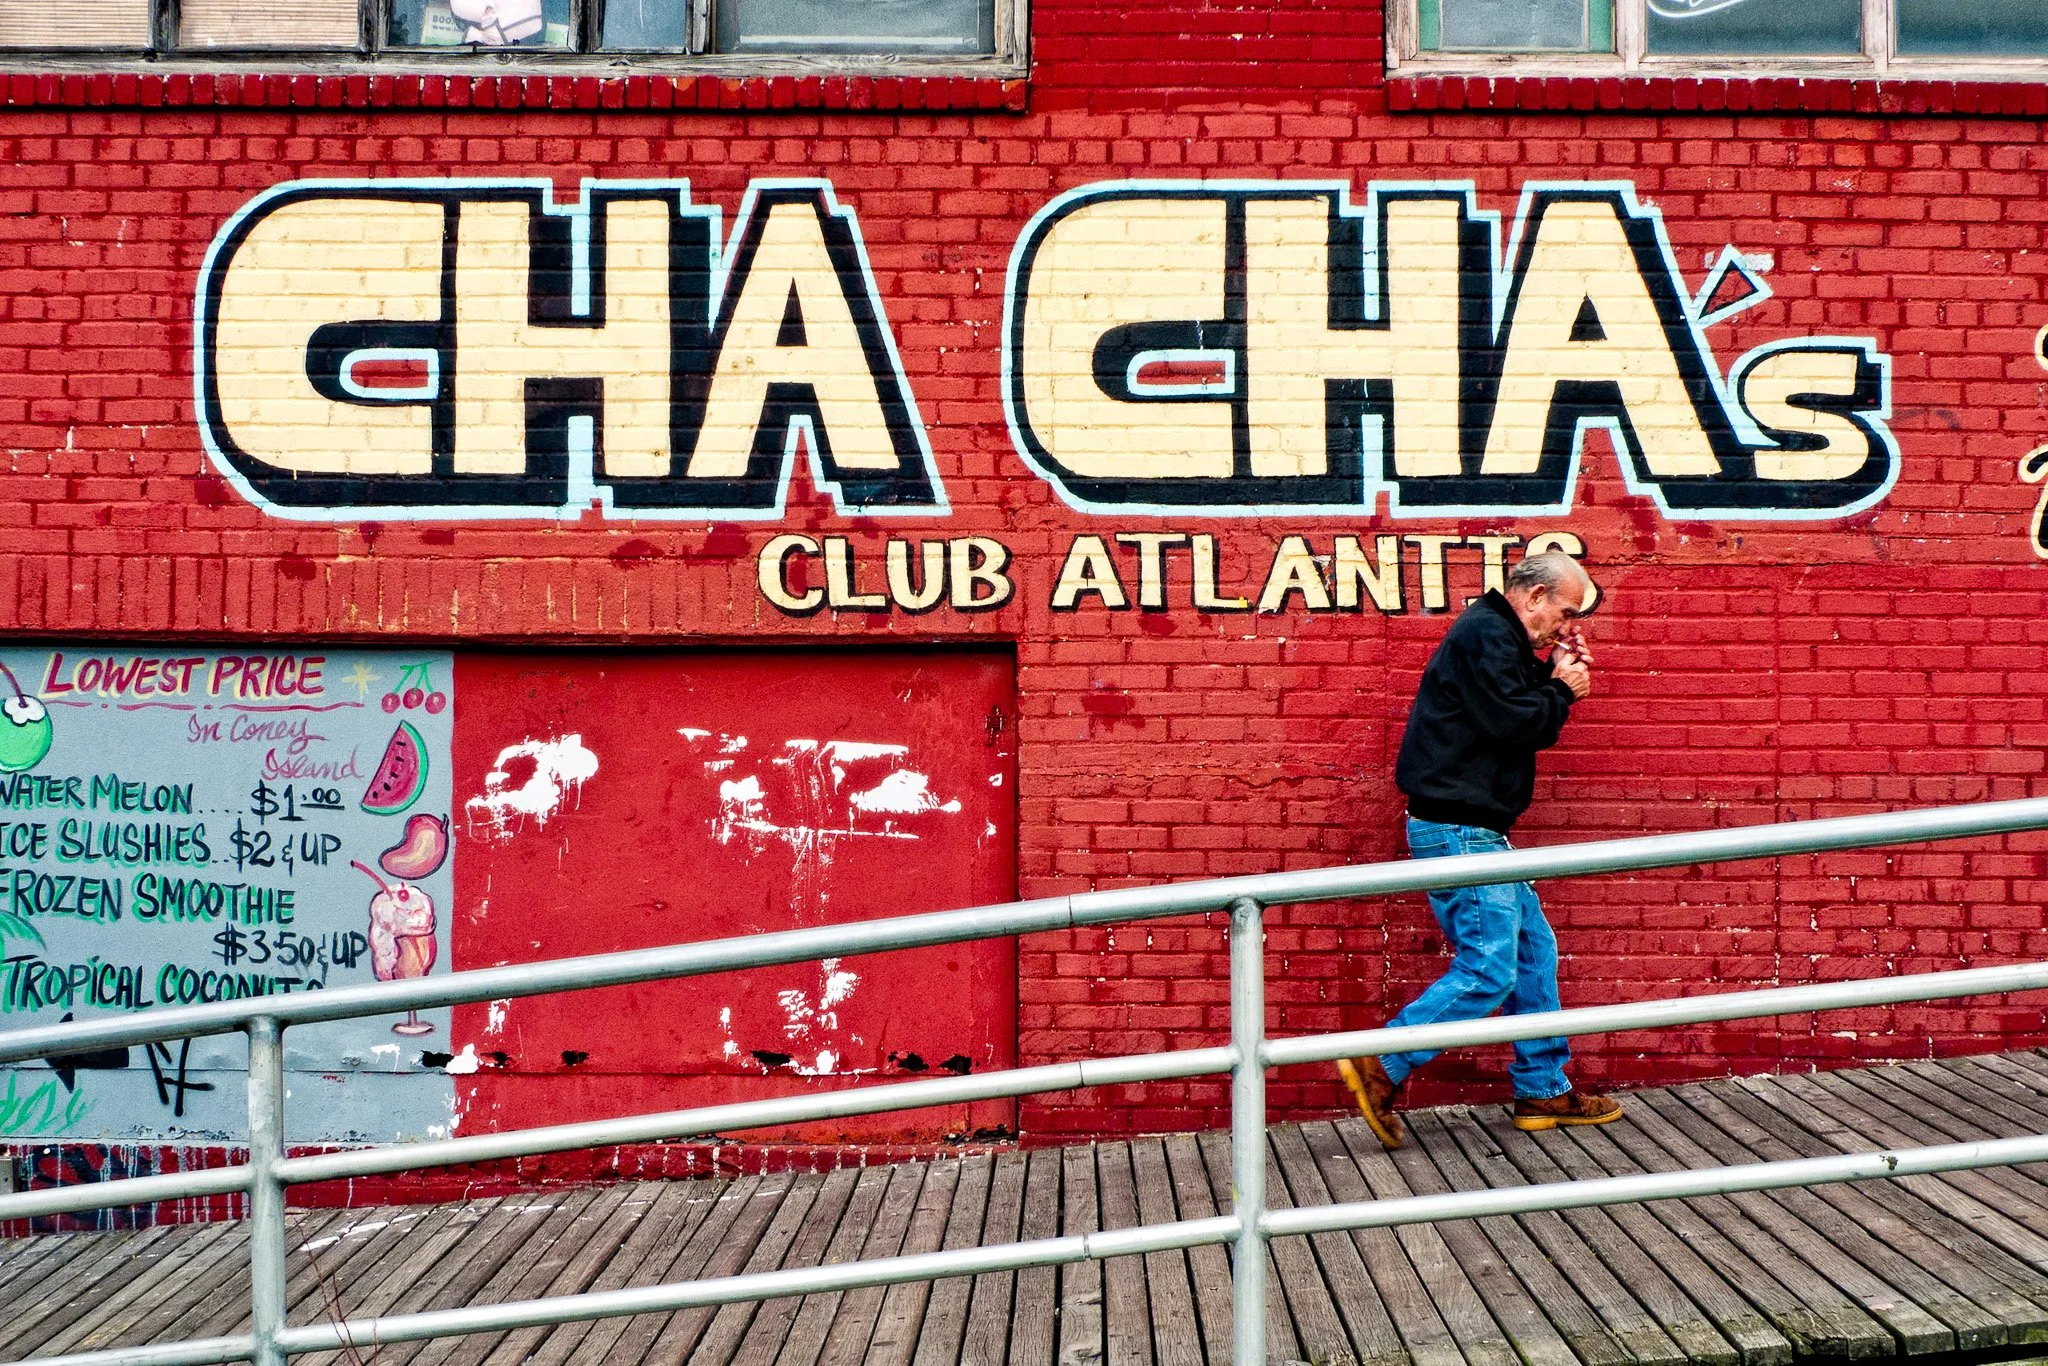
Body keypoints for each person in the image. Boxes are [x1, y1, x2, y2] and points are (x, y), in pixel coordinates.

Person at [1336, 550, 1622, 1149]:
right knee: (1490, 966)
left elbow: (1506, 714)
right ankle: (1381, 1063)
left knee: (1530, 951)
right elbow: (1516, 725)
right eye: (1565, 611)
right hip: (1461, 829)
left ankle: (1543, 1088)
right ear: (1536, 596)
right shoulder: (1488, 635)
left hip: (1475, 828)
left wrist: (1551, 676)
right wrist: (1564, 689)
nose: (1567, 625)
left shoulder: (1499, 640)